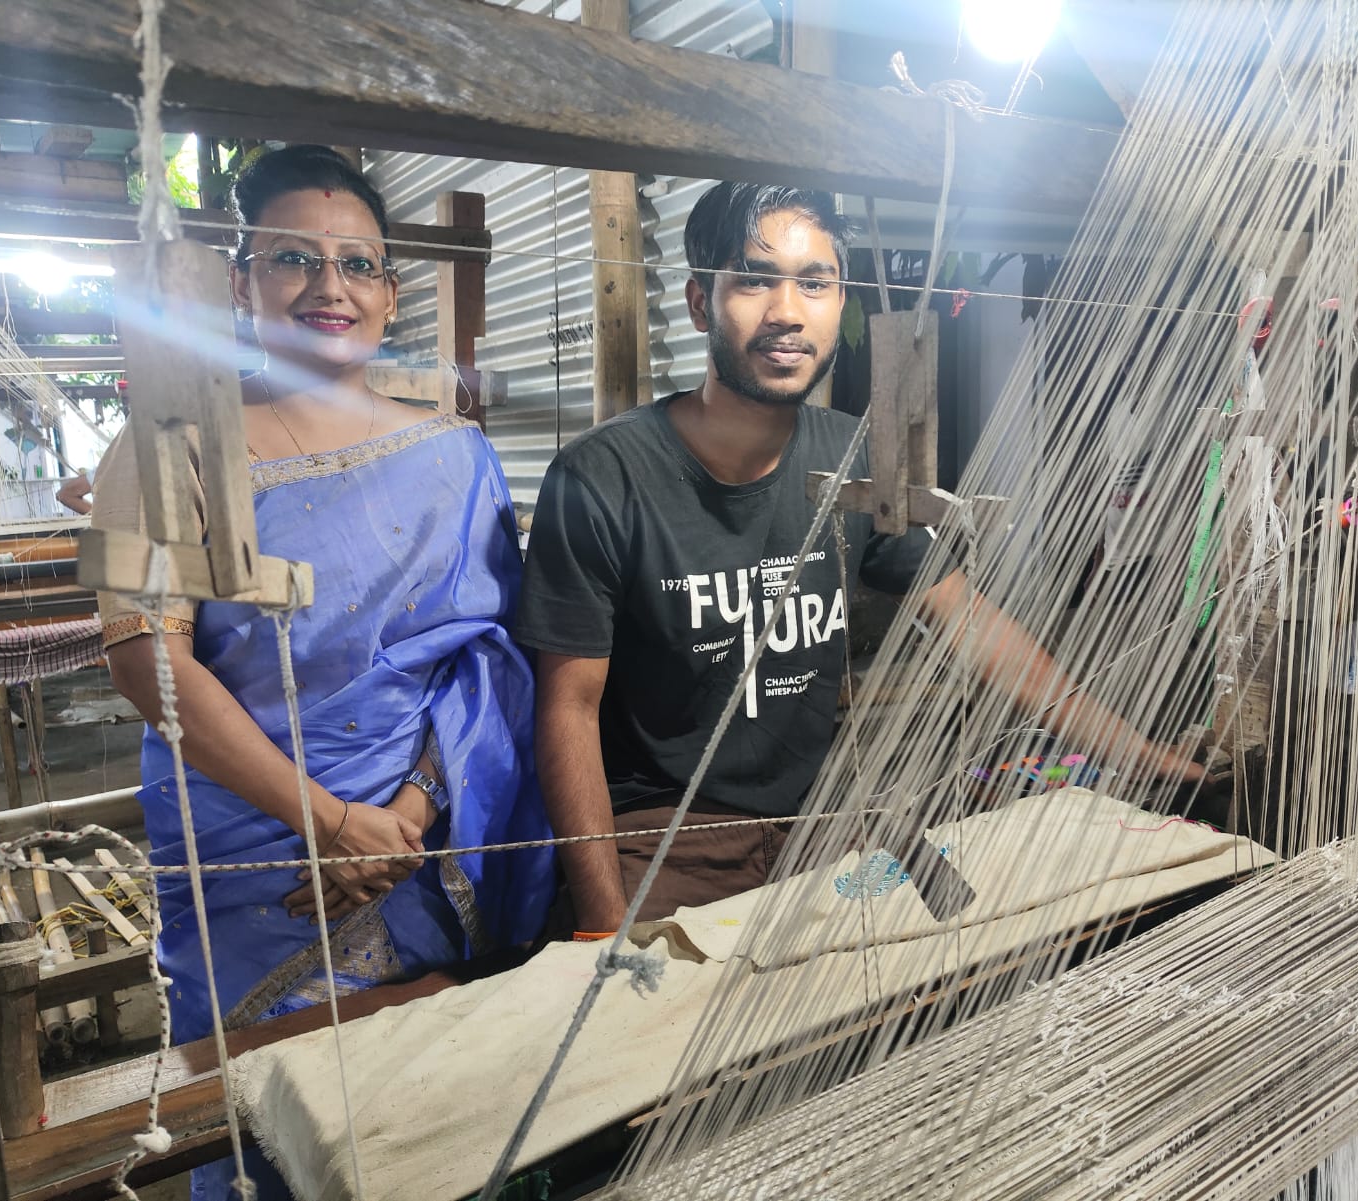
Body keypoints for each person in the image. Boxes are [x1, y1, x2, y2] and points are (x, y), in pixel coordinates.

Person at [515, 182, 1204, 938]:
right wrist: (602, 920)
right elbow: (568, 708)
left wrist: (1145, 755)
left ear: (840, 305)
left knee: (953, 959)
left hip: (819, 820)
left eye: (815, 283)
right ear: (698, 302)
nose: (787, 311)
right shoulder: (602, 478)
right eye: (753, 278)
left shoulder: (856, 460)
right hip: (666, 836)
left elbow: (975, 626)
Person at [93, 145, 552, 1200]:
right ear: (243, 284)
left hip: (424, 844)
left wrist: (408, 807)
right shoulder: (163, 448)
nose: (328, 287)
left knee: (439, 1110)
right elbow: (140, 658)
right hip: (256, 860)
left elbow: (491, 662)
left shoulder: (458, 452)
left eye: (358, 263)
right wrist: (325, 821)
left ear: (391, 291)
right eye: (293, 259)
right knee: (275, 1115)